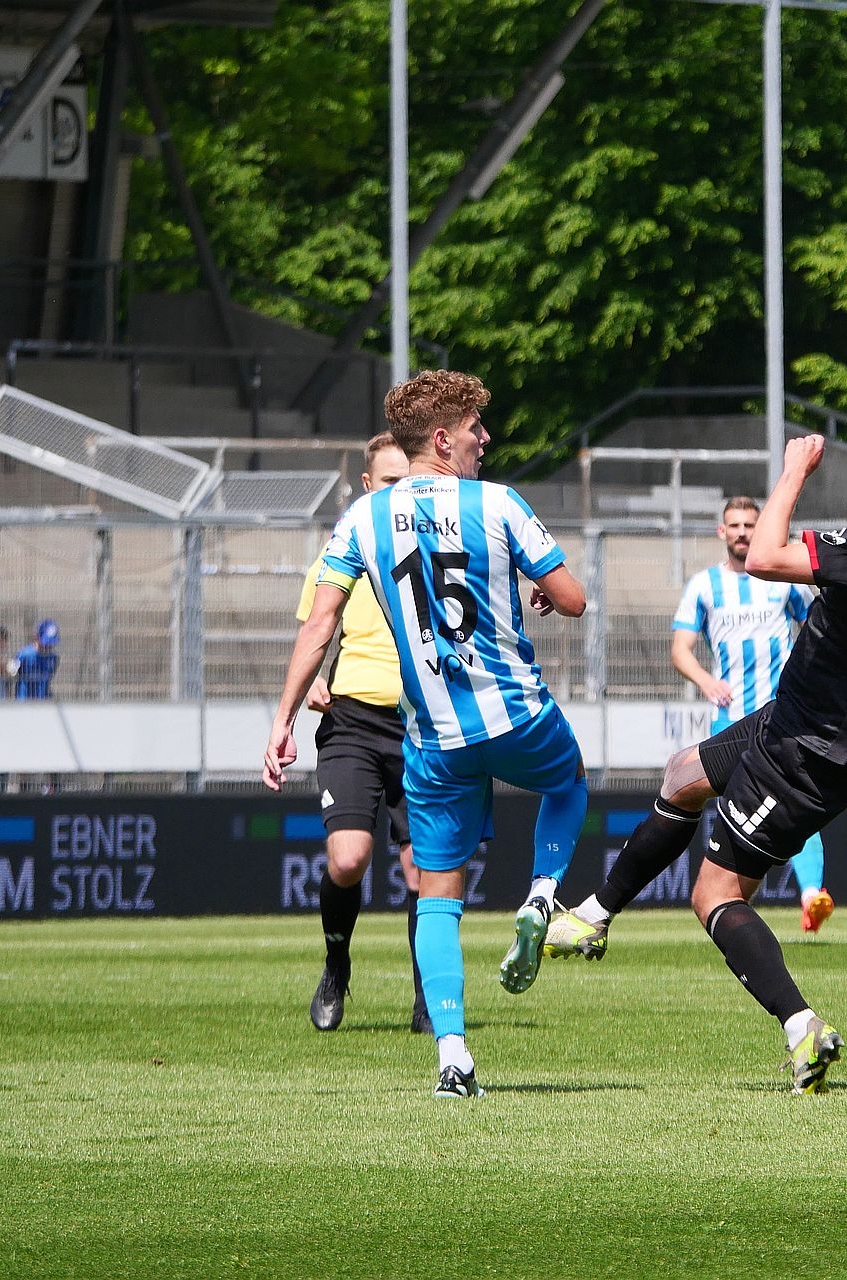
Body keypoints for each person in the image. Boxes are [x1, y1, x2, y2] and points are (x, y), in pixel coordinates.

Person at [543, 397, 847, 1095]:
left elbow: (763, 557)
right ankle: (593, 916)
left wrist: (793, 471)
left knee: (715, 894)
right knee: (682, 773)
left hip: (809, 749)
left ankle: (802, 1028)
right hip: (792, 718)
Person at [264, 369, 590, 1099]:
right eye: (475, 428)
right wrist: (541, 589)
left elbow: (319, 625)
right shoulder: (497, 502)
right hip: (514, 714)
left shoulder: (362, 518)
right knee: (568, 784)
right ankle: (542, 895)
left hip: (435, 738)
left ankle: (453, 1057)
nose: (485, 439)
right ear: (442, 439)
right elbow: (573, 600)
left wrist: (282, 720)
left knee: (438, 892)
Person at [295, 431, 431, 1035]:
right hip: (353, 720)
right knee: (348, 859)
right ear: (368, 486)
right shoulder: (341, 549)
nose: (403, 492)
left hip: (422, 725)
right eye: (392, 482)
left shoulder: (436, 549)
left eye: (412, 481)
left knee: (423, 870)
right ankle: (336, 964)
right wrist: (313, 683)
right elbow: (316, 630)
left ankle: (429, 999)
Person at [672, 495, 834, 932]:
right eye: (736, 525)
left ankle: (811, 896)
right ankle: (737, 906)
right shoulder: (704, 586)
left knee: (797, 802)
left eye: (750, 525)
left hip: (784, 716)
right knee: (740, 814)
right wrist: (705, 680)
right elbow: (681, 649)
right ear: (721, 532)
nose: (743, 532)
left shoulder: (783, 579)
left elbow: (820, 627)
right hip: (731, 720)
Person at [13, 619, 60, 699]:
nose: (49, 646)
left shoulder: (53, 658)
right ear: (37, 637)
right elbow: (12, 673)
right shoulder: (24, 655)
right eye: (46, 642)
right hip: (24, 700)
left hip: (44, 700)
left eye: (51, 643)